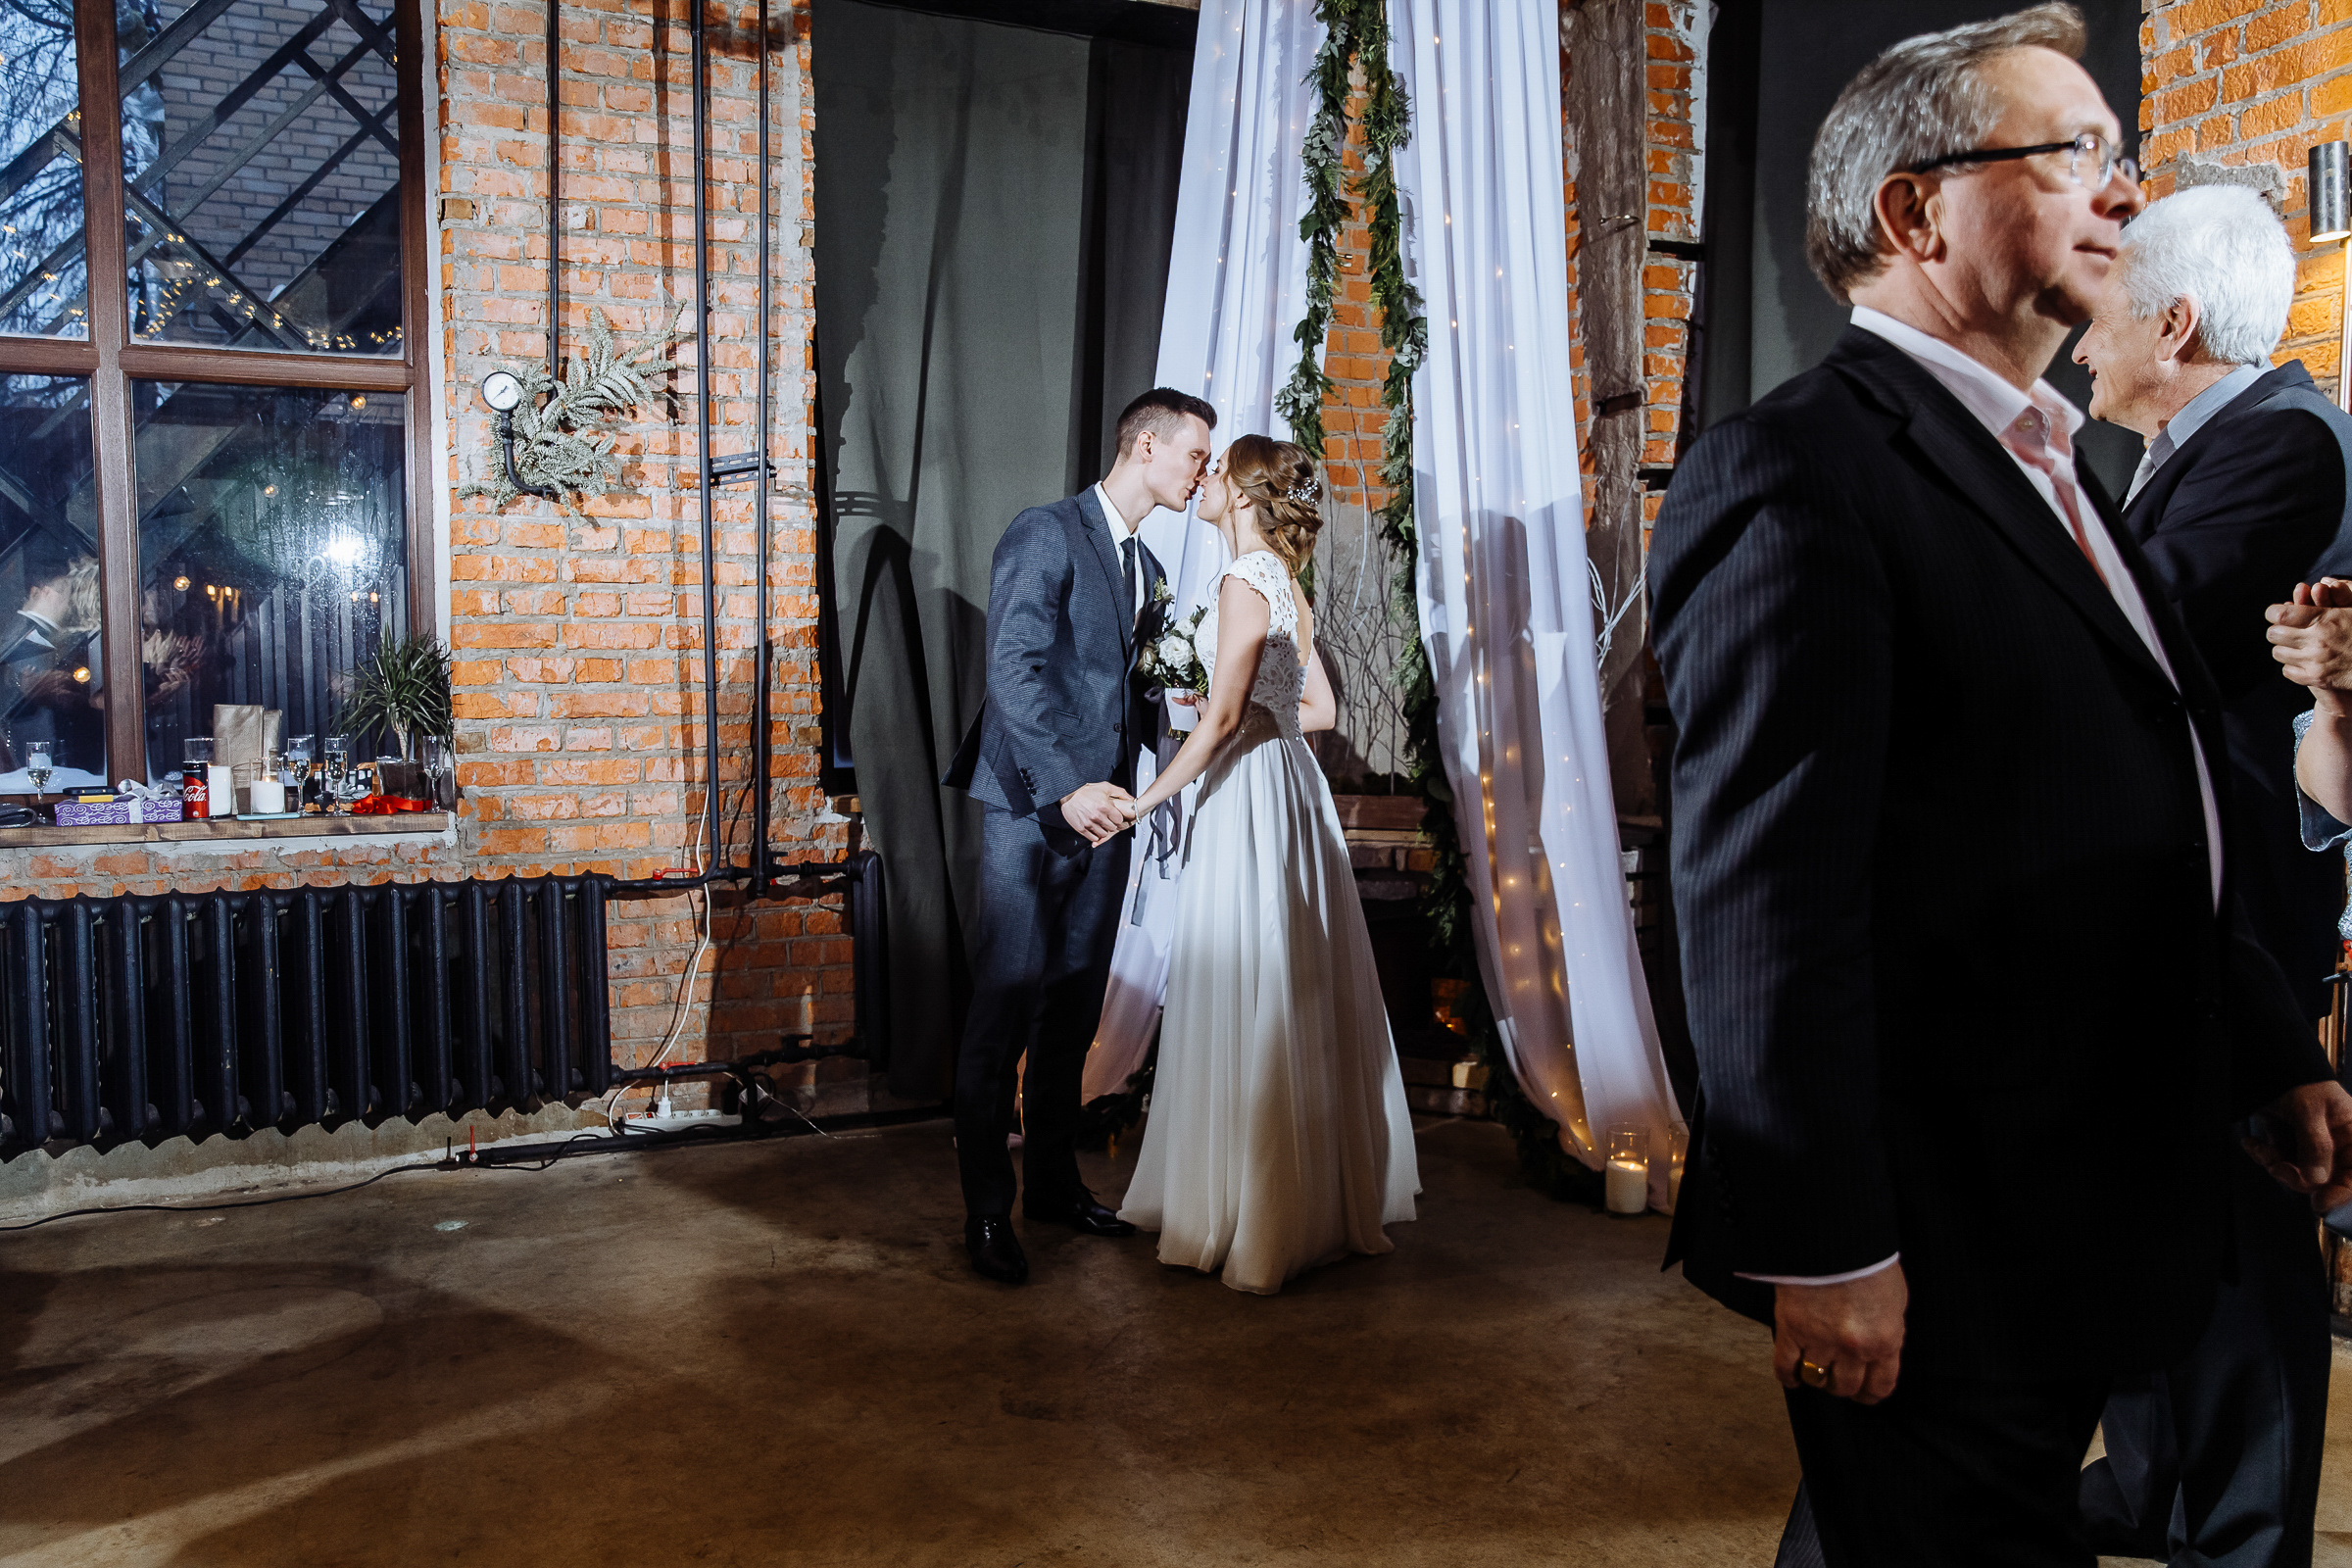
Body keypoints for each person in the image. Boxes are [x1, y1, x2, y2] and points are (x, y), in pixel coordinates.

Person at [1646, 7, 2352, 1564]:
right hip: (1936, 1210)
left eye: (2124, 154)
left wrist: (2261, 1049)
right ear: (1915, 211)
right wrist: (1825, 1241)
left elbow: (2141, 800)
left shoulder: (2054, 470)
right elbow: (1766, 900)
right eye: (2077, 152)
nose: (2127, 193)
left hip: (2061, 1192)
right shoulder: (1804, 469)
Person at [2065, 182, 2352, 1568]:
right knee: (2159, 1195)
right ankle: (2153, 1485)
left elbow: (2140, 636)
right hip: (2174, 885)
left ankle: (2241, 1532)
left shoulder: (2289, 443)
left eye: (2099, 317)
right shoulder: (2197, 444)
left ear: (2173, 323)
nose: (2079, 346)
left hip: (2245, 905)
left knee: (2241, 1218)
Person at [1112, 434, 1418, 1293]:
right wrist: (1238, 706)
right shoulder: (1285, 584)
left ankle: (1246, 1212)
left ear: (1245, 495)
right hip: (1289, 785)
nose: (1204, 481)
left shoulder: (1242, 581)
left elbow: (1221, 723)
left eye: (1217, 472)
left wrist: (1147, 798)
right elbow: (1316, 709)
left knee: (1243, 973)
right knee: (1285, 979)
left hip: (1248, 791)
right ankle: (1303, 1201)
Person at [940, 386, 1213, 1286]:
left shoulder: (1151, 567)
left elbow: (1125, 693)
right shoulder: (1046, 532)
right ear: (1146, 446)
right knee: (1004, 1005)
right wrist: (1065, 790)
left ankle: (1054, 1186)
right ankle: (987, 1210)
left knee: (1073, 1008)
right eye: (1195, 456)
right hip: (1033, 808)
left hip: (1110, 818)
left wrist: (1175, 721)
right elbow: (1013, 671)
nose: (1201, 473)